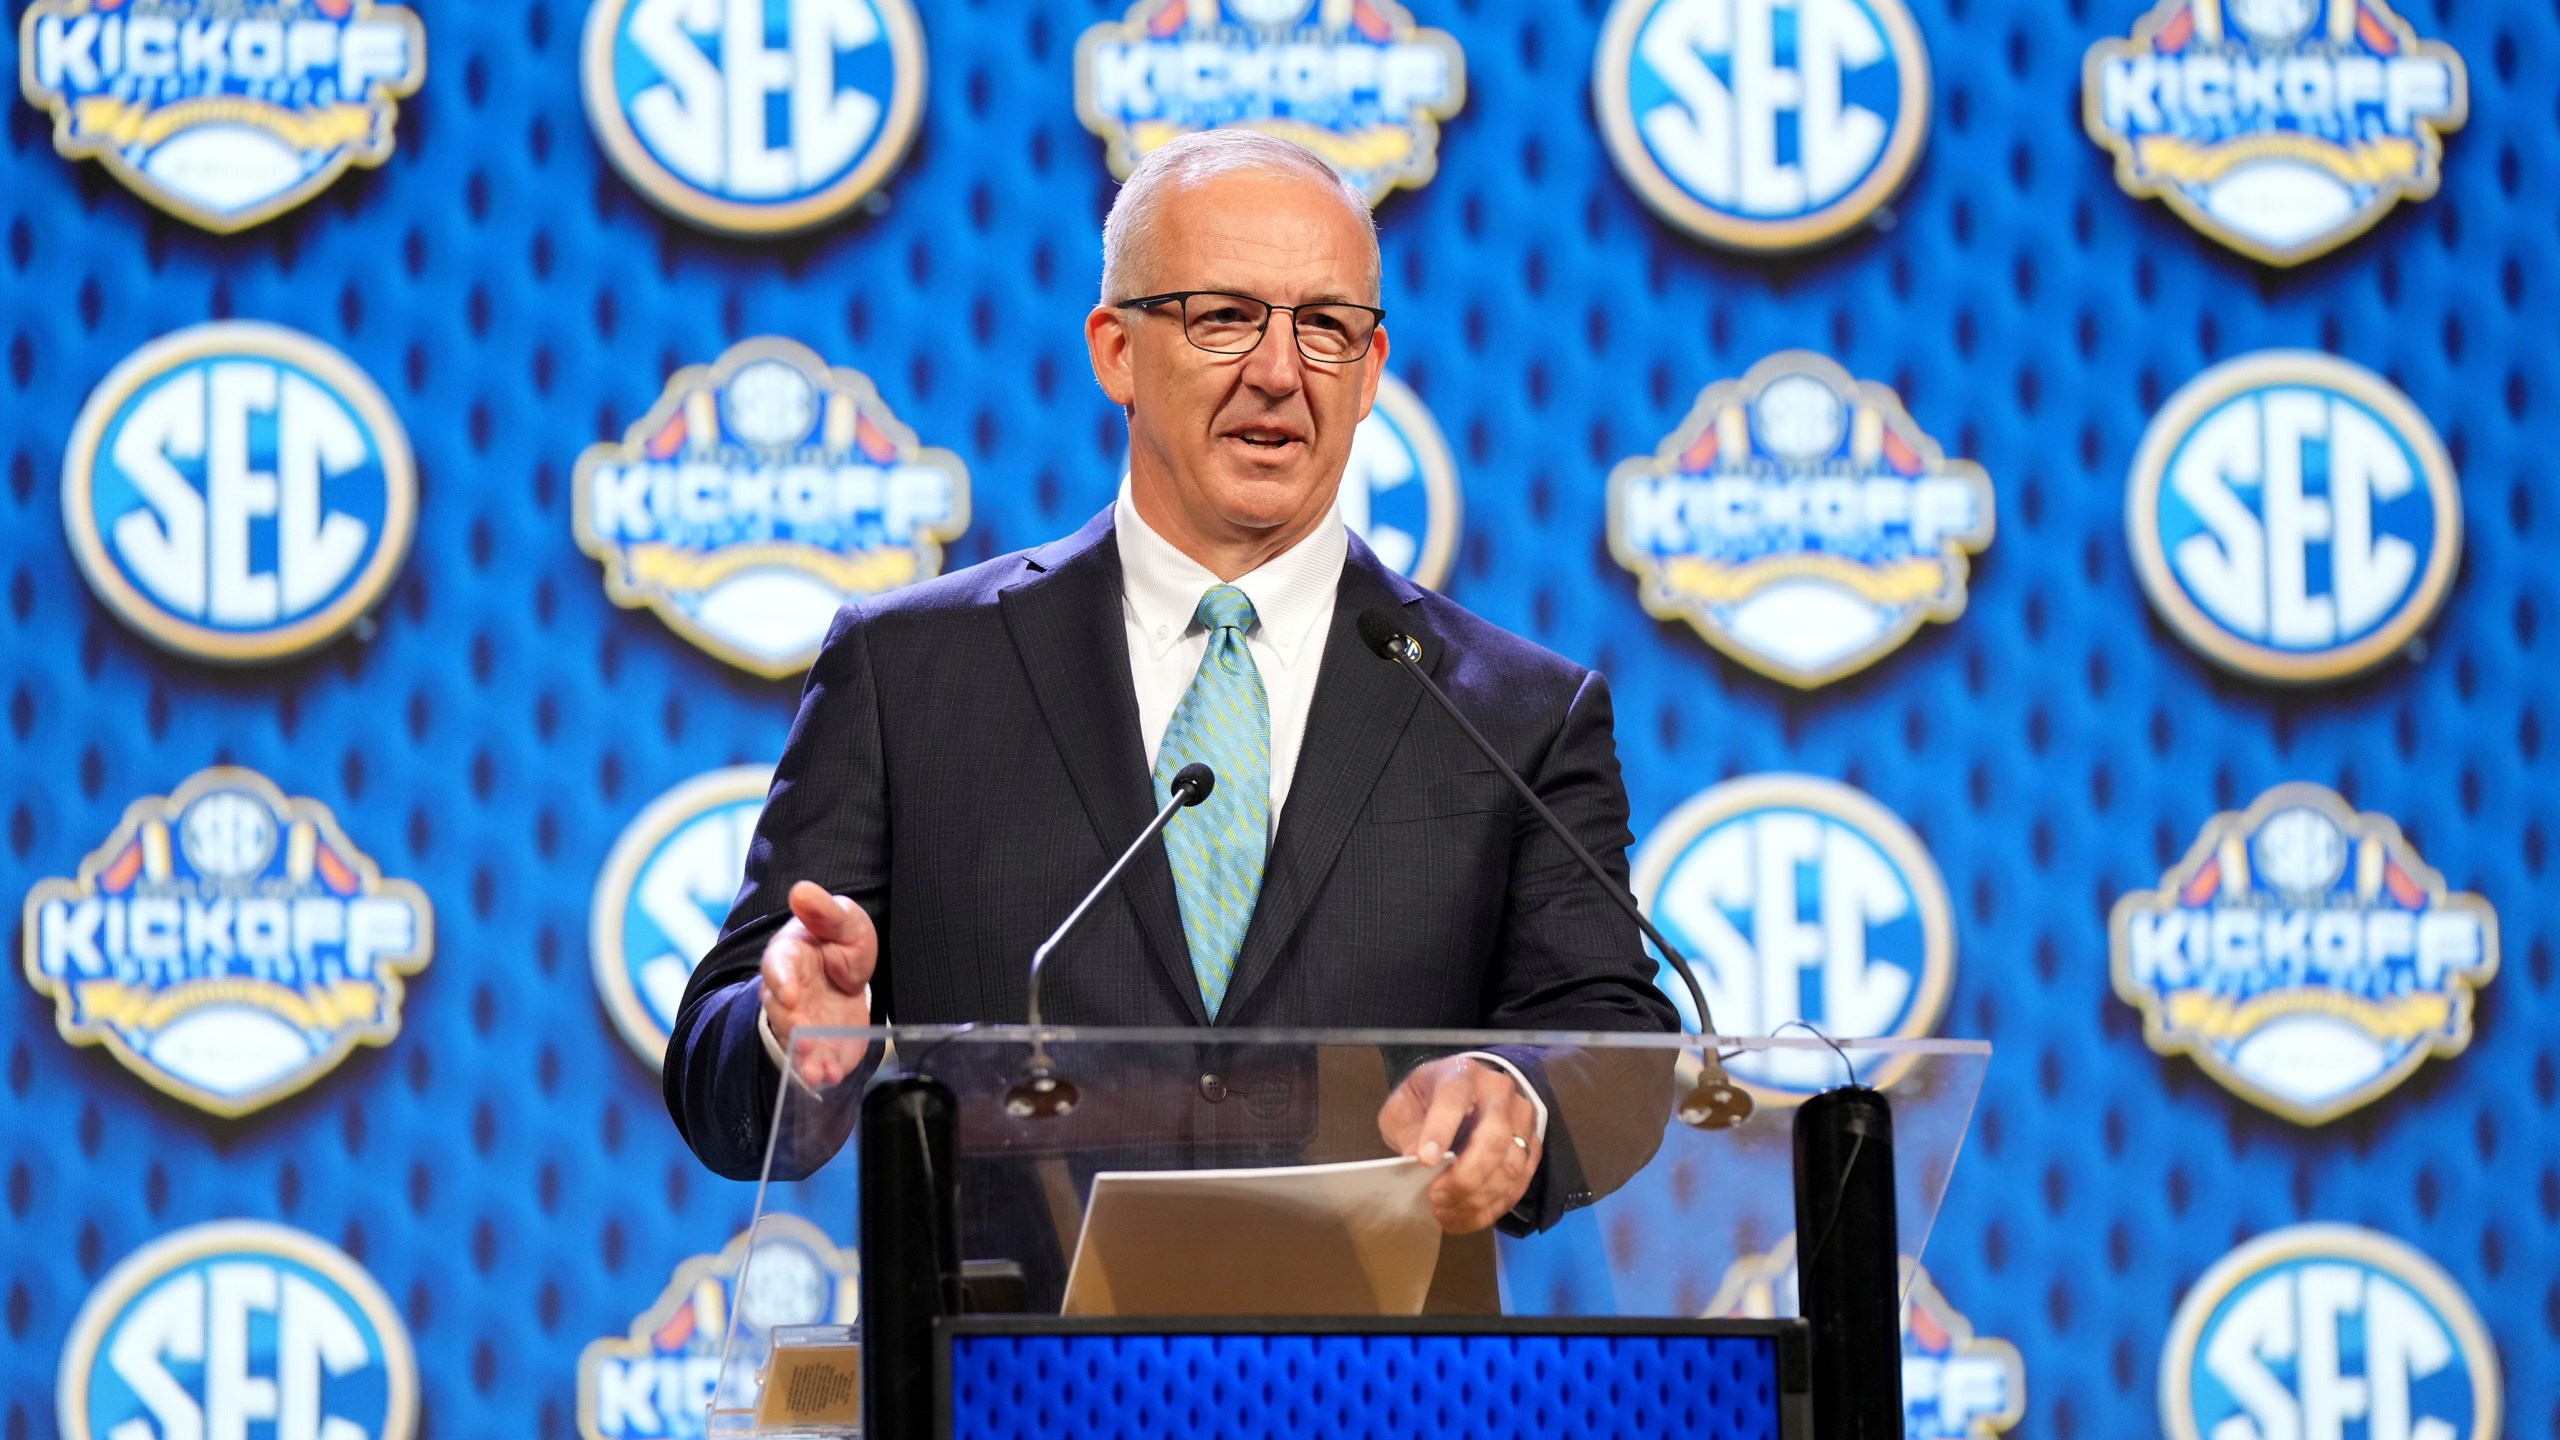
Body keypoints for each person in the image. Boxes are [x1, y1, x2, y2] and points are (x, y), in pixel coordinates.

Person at [663, 130, 1678, 1245]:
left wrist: (1515, 1085)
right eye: (1224, 315)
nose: (1280, 372)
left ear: (1373, 370)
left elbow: (1611, 1036)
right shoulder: (907, 674)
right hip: (1013, 1391)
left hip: (1377, 1388)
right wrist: (798, 1038)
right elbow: (717, 1078)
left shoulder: (1514, 715)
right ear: (1115, 350)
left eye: (1327, 328)